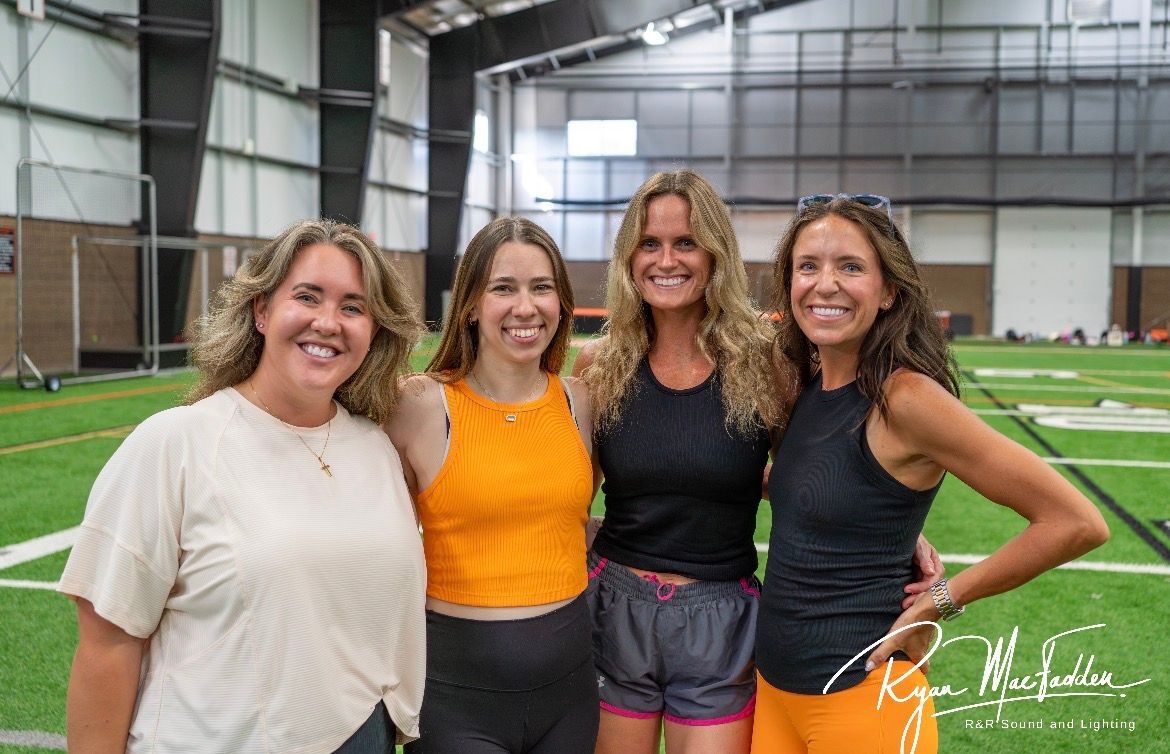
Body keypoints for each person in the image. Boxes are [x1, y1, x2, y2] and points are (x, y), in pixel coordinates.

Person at [573, 171, 943, 754]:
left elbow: (813, 472)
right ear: (628, 256)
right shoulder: (598, 365)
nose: (666, 260)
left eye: (686, 242)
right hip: (615, 610)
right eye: (650, 243)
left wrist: (901, 536)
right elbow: (569, 497)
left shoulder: (767, 364)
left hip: (722, 619)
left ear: (716, 252)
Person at [752, 194, 1111, 753]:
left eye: (851, 266)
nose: (825, 284)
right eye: (808, 266)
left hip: (864, 698)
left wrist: (938, 601)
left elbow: (1076, 522)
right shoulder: (809, 383)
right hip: (774, 690)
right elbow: (818, 487)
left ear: (889, 290)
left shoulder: (908, 397)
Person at [58, 219, 427, 753]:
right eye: (307, 297)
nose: (329, 322)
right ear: (261, 311)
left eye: (353, 306)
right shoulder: (176, 442)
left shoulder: (376, 448)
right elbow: (106, 641)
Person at [386, 217, 598, 754]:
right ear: (472, 304)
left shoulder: (583, 403)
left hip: (570, 696)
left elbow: (570, 522)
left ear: (561, 302)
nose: (525, 307)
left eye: (541, 287)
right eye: (503, 287)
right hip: (455, 700)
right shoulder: (417, 407)